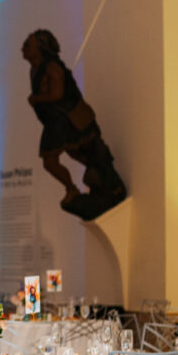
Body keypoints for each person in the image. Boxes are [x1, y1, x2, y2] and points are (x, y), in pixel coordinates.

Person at [22, 29, 126, 219]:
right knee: (64, 157)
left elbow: (58, 94)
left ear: (40, 48)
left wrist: (36, 99)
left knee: (54, 160)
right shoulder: (35, 69)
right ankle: (80, 188)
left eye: (28, 44)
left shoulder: (52, 67)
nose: (24, 47)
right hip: (57, 122)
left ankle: (86, 188)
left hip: (66, 121)